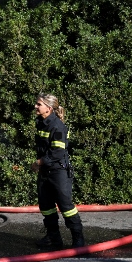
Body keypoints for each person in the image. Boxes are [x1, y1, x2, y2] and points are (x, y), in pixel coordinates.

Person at [31, 93, 85, 248]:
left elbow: (57, 153)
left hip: (58, 171)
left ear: (48, 108)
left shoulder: (58, 126)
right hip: (45, 172)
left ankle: (78, 239)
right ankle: (53, 238)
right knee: (46, 206)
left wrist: (39, 162)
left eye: (39, 104)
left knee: (66, 206)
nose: (36, 106)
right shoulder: (41, 122)